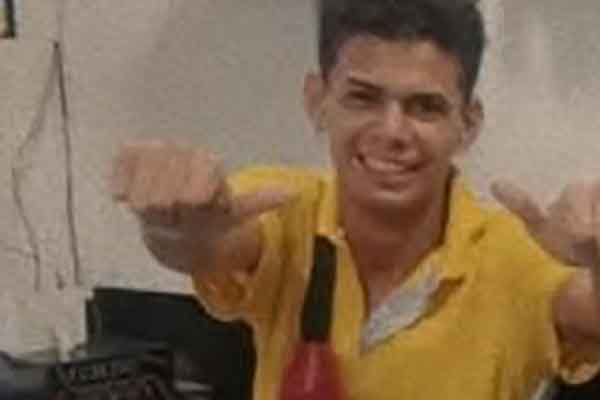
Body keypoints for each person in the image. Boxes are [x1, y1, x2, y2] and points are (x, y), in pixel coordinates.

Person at [111, 0, 600, 399]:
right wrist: (169, 225)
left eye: (425, 107)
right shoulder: (285, 208)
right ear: (318, 100)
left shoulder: (511, 255)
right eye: (363, 98)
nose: (392, 132)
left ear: (467, 124)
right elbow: (207, 245)